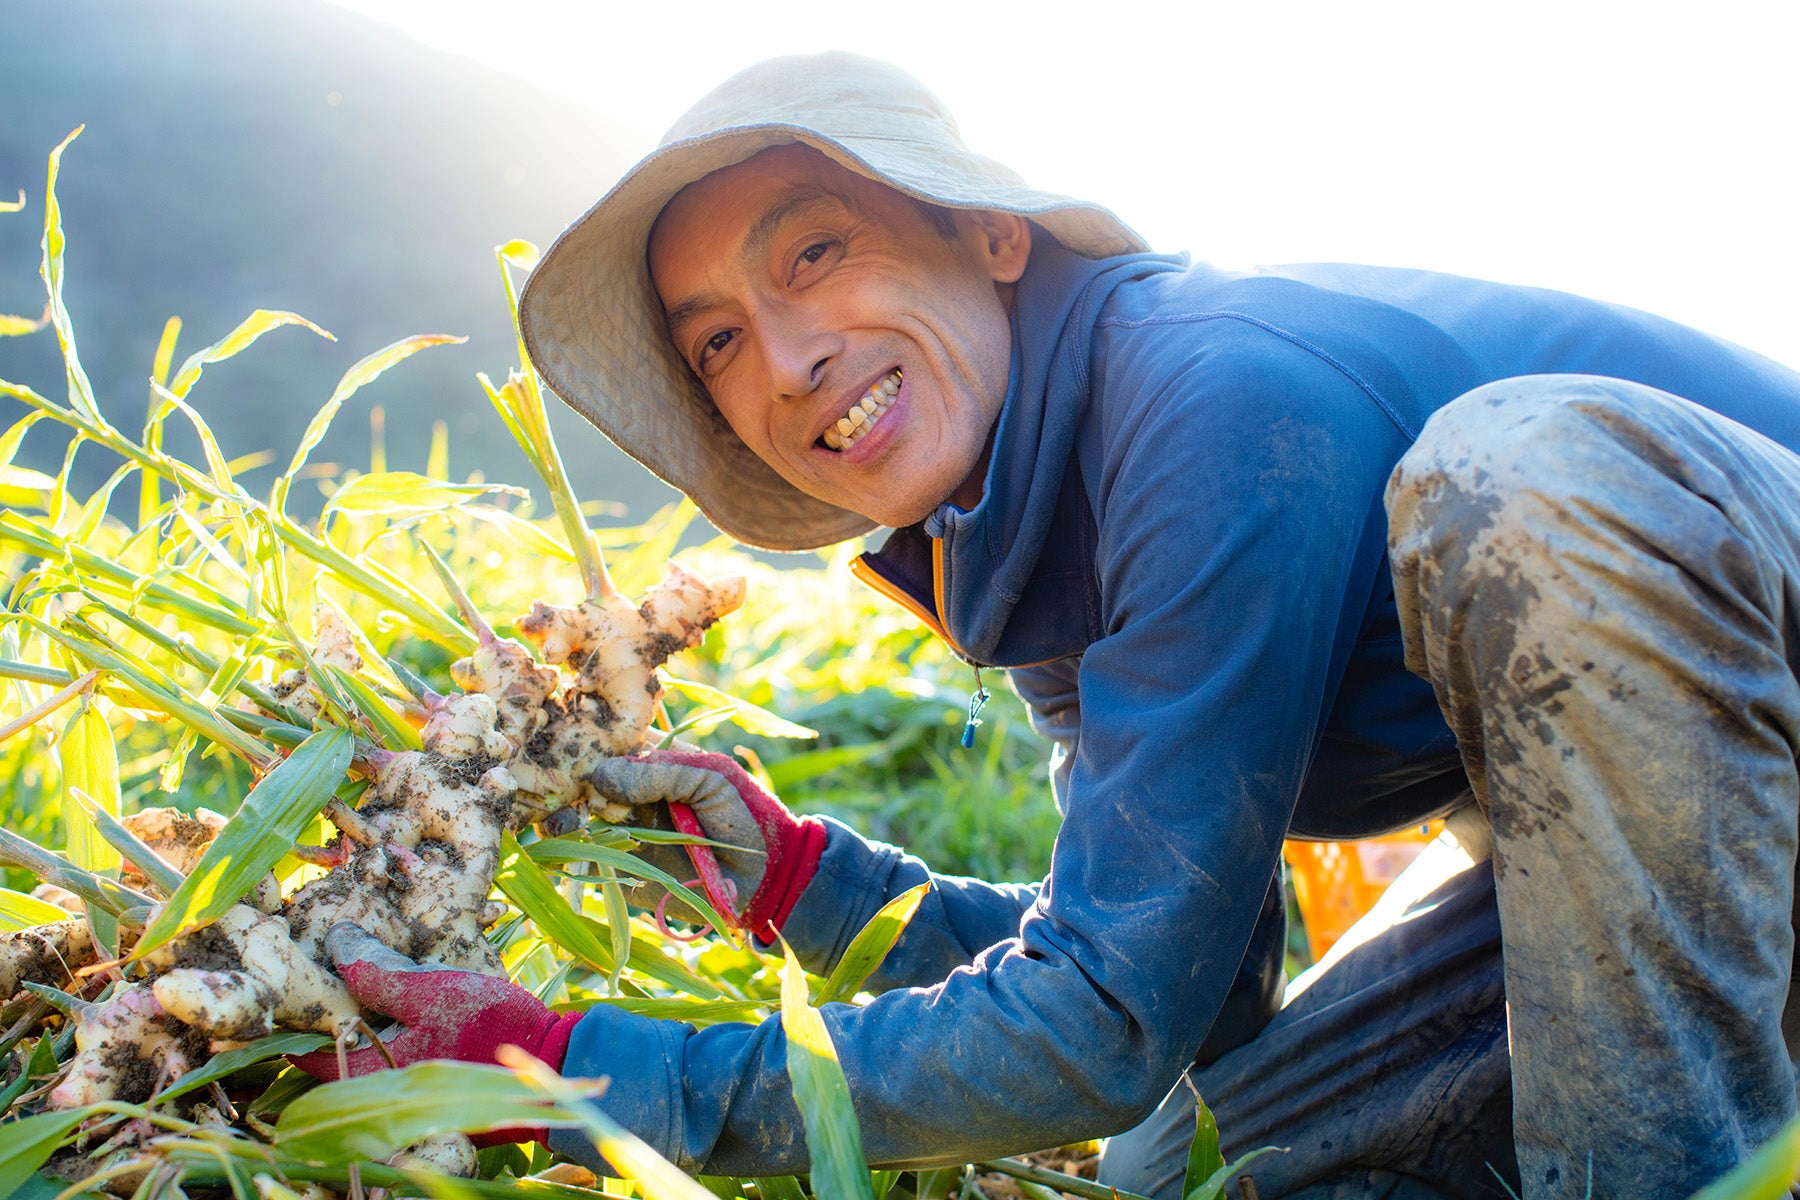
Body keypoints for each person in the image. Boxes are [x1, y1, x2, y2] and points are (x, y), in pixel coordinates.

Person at [307, 52, 1800, 1199]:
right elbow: (1171, 991)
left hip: (1750, 763)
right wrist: (807, 884)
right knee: (1184, 1162)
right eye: (717, 342)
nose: (788, 355)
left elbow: (1102, 1024)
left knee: (1528, 475)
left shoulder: (1208, 398)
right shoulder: (1026, 542)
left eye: (814, 253)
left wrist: (576, 1074)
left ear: (993, 238)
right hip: (1715, 878)